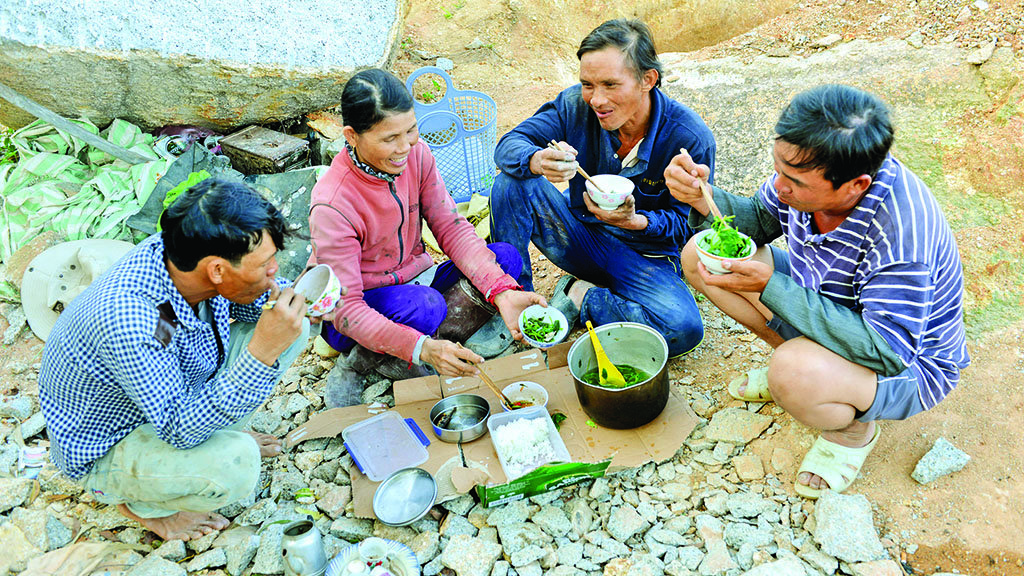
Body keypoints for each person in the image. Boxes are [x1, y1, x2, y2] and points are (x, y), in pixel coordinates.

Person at [666, 84, 970, 498]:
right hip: (831, 301)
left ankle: (851, 429)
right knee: (698, 258)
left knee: (792, 370)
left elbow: (888, 351)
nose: (779, 186)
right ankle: (810, 372)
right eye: (777, 170)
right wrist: (704, 200)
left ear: (855, 186)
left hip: (905, 362)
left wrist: (771, 287)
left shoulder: (902, 239)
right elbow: (758, 221)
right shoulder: (812, 170)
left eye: (793, 182)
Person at [38, 179, 316, 540]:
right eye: (265, 264)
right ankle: (145, 507)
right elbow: (178, 429)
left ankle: (222, 432)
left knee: (294, 329)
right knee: (237, 463)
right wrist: (261, 352)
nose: (274, 270)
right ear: (216, 270)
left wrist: (283, 298)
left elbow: (237, 304)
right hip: (111, 443)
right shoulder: (136, 319)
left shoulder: (186, 257)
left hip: (171, 393)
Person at [489, 18, 716, 357]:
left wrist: (637, 222)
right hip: (581, 238)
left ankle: (584, 297)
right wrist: (537, 160)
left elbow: (691, 226)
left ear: (647, 80)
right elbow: (509, 145)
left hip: (647, 258)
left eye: (610, 84)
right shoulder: (573, 106)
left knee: (682, 329)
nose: (596, 99)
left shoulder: (688, 138)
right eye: (588, 84)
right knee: (510, 182)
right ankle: (515, 302)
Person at [310, 68, 545, 389]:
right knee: (426, 307)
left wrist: (500, 291)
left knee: (505, 260)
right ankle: (385, 355)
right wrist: (421, 348)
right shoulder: (333, 204)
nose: (405, 147)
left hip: (419, 281)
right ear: (351, 136)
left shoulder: (417, 155)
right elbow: (346, 307)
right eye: (389, 138)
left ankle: (427, 341)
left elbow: (451, 227)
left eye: (411, 130)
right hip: (360, 306)